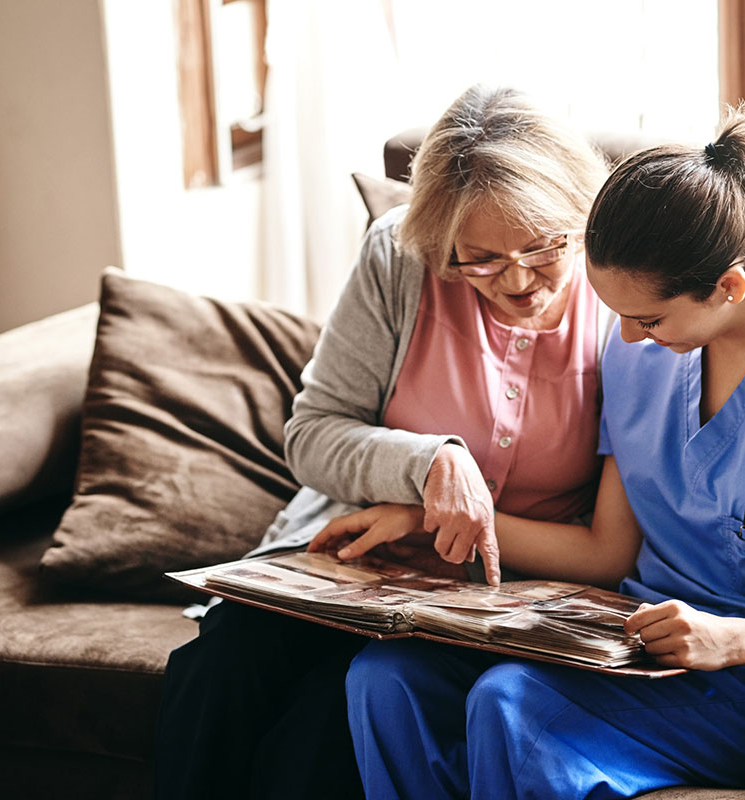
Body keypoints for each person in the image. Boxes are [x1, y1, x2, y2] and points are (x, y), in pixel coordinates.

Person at [342, 107, 745, 799]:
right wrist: (424, 518)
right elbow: (607, 554)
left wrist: (727, 639)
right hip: (626, 641)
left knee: (510, 705)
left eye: (647, 319)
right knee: (385, 679)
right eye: (615, 314)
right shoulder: (642, 355)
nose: (623, 340)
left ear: (728, 286)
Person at [152, 84, 612, 800]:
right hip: (352, 570)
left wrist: (431, 519)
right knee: (221, 668)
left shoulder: (625, 301)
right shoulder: (399, 260)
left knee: (321, 733)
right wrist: (428, 462)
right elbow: (312, 434)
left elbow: (616, 537)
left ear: (581, 216)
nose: (518, 280)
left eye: (543, 246)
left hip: (491, 596)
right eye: (480, 260)